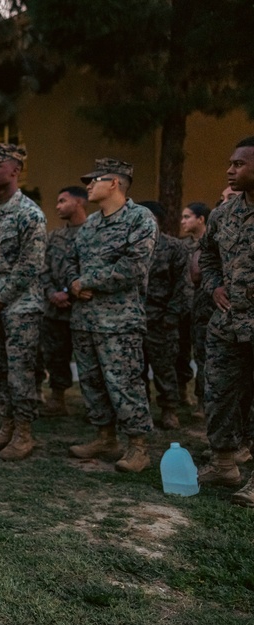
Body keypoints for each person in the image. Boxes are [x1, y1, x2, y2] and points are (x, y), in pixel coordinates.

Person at [65, 159, 156, 472]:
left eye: (95, 180)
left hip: (119, 322)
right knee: (92, 383)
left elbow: (133, 267)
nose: (89, 186)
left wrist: (86, 282)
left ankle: (138, 447)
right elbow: (71, 261)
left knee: (125, 384)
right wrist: (72, 284)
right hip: (84, 319)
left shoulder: (139, 219)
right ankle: (105, 438)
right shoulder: (90, 224)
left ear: (114, 183)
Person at [0, 144, 47, 461]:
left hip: (20, 309)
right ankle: (6, 426)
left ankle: (24, 433)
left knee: (20, 372)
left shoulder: (30, 214)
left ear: (15, 170)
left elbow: (30, 266)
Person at [197, 136, 254, 504]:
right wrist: (214, 285)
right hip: (227, 325)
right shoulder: (223, 214)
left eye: (239, 164)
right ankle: (222, 463)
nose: (230, 170)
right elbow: (207, 257)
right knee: (218, 394)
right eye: (231, 163)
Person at [138, 201, 192, 430]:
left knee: (165, 369)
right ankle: (140, 411)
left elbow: (183, 286)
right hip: (134, 319)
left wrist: (171, 317)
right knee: (135, 370)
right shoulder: (132, 246)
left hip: (162, 321)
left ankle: (169, 409)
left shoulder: (174, 247)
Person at [39, 186, 89, 417]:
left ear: (79, 202)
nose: (57, 206)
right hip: (55, 310)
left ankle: (94, 403)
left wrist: (69, 292)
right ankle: (57, 398)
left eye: (62, 201)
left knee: (88, 358)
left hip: (82, 308)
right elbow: (43, 268)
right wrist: (52, 293)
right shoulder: (54, 236)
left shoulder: (93, 233)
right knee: (55, 356)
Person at [180, 202, 212, 414]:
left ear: (201, 219)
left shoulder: (212, 244)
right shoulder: (181, 246)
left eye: (187, 217)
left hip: (205, 309)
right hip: (183, 308)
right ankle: (182, 393)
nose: (182, 221)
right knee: (181, 353)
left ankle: (203, 401)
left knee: (204, 356)